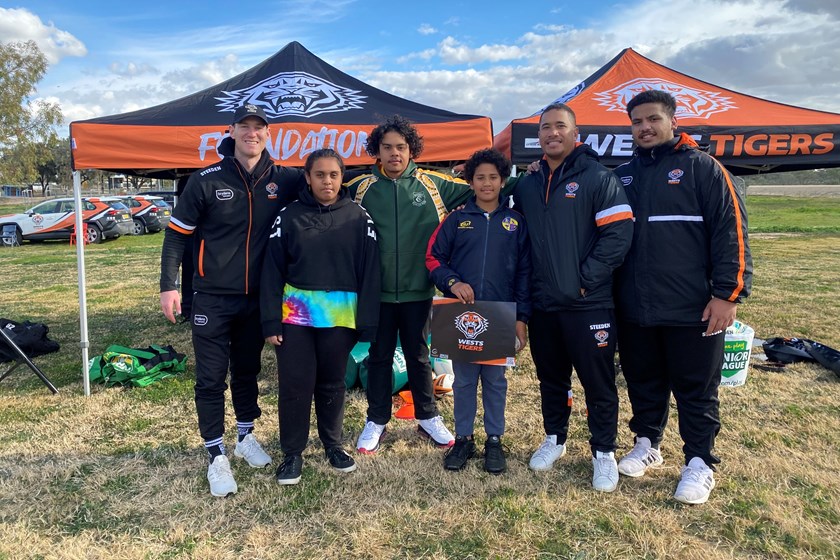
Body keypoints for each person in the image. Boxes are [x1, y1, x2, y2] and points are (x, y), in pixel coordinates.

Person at [613, 90, 752, 505]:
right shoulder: (623, 175)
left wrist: (727, 296)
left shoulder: (704, 169)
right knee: (643, 379)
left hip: (694, 307)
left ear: (673, 121)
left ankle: (699, 462)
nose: (645, 127)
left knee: (696, 387)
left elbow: (733, 237)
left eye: (652, 119)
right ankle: (647, 443)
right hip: (635, 305)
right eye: (637, 122)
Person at [160, 104, 305, 497]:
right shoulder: (205, 179)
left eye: (259, 127)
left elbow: (329, 189)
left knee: (246, 371)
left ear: (267, 134)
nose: (252, 133)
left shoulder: (285, 179)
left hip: (258, 299)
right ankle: (215, 455)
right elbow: (177, 235)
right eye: (245, 126)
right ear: (232, 130)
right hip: (211, 296)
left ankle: (244, 437)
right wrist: (168, 286)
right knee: (210, 378)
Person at [515, 103, 634, 492]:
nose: (552, 133)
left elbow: (618, 236)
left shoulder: (598, 177)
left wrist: (584, 280)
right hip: (544, 304)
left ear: (574, 132)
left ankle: (604, 452)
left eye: (559, 127)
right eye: (545, 127)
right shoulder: (528, 183)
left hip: (589, 303)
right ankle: (555, 438)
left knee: (598, 383)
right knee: (552, 378)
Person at [346, 115, 478, 453]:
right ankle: (376, 420)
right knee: (378, 356)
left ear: (411, 150)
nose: (394, 154)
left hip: (420, 290)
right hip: (376, 293)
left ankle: (427, 417)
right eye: (387, 147)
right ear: (377, 150)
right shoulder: (359, 186)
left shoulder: (434, 183)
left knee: (419, 356)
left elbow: (488, 184)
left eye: (400, 147)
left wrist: (532, 174)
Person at [261, 149, 381, 485]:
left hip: (341, 315)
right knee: (295, 385)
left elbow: (371, 272)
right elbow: (271, 270)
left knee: (332, 383)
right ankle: (292, 453)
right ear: (308, 178)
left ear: (342, 177)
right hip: (295, 316)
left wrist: (368, 322)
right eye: (319, 175)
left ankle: (333, 444)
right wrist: (270, 320)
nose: (326, 181)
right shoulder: (289, 215)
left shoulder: (359, 217)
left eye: (333, 175)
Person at [426, 148, 531, 474]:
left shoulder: (516, 223)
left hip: (500, 315)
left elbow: (525, 272)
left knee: (496, 382)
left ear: (503, 181)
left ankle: (494, 440)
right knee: (464, 381)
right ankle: (463, 438)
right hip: (461, 315)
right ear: (470, 181)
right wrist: (453, 281)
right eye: (480, 177)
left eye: (493, 178)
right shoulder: (456, 220)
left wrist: (521, 318)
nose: (486, 184)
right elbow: (433, 259)